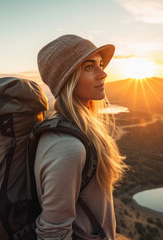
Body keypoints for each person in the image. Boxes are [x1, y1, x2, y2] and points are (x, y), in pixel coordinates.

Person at [35, 34, 128, 240]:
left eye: (100, 64)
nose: (103, 73)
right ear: (67, 80)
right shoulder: (67, 147)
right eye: (89, 67)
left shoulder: (76, 132)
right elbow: (52, 233)